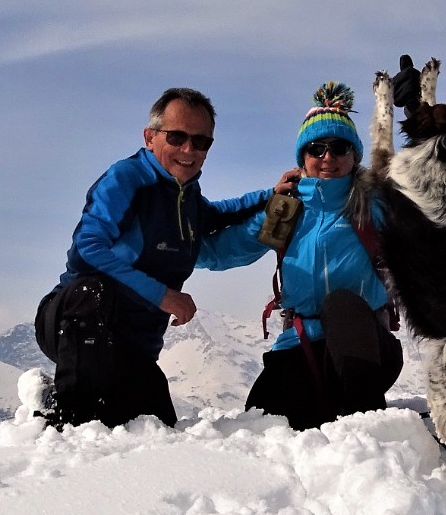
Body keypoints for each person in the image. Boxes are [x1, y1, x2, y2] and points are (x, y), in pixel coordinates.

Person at [34, 86, 287, 428]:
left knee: (156, 428)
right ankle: (65, 415)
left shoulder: (186, 195)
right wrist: (163, 295)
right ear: (150, 137)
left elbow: (216, 214)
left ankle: (57, 393)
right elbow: (87, 250)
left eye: (201, 141)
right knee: (92, 293)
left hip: (133, 345)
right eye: (177, 136)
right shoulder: (126, 178)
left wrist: (271, 194)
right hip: (76, 321)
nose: (188, 149)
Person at [200, 81, 402, 430]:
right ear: (302, 159)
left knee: (341, 305)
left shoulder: (374, 206)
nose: (328, 158)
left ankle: (374, 435)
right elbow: (220, 252)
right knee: (258, 427)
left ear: (354, 156)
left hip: (365, 350)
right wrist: (163, 243)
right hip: (301, 347)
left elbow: (433, 207)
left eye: (339, 147)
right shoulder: (286, 213)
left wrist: (419, 116)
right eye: (316, 148)